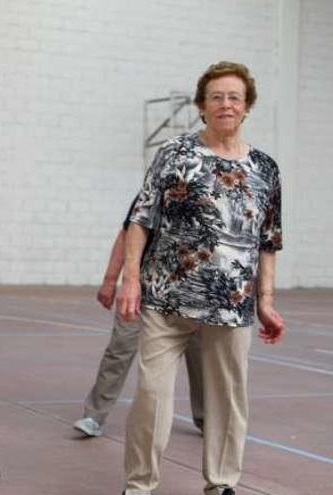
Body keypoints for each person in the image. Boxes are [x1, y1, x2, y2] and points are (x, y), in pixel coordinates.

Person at [117, 61, 285, 495]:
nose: (225, 104)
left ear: (246, 107)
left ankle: (222, 483)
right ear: (201, 106)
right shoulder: (175, 153)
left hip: (233, 302)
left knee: (228, 400)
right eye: (216, 97)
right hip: (166, 297)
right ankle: (138, 486)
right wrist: (130, 278)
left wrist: (265, 300)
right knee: (152, 396)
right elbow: (141, 218)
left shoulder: (265, 168)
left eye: (234, 97)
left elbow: (268, 239)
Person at [73, 196, 204, 437]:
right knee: (119, 348)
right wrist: (110, 280)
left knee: (199, 356)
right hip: (142, 288)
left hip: (188, 292)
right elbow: (126, 235)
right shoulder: (150, 194)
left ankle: (206, 418)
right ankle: (94, 416)